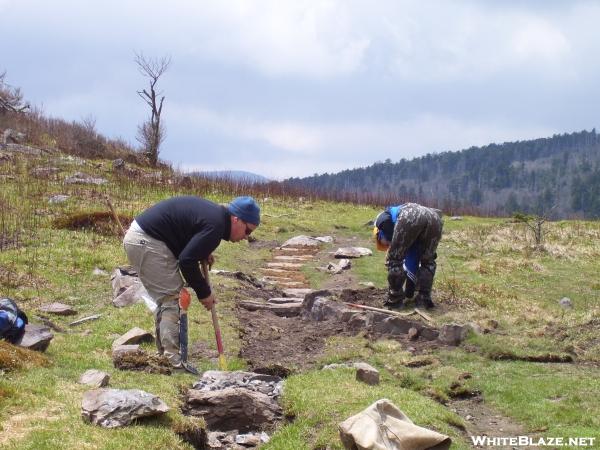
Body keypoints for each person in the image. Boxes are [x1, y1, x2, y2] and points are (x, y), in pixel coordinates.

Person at [123, 195, 260, 372]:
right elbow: (186, 261)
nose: (246, 237)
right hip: (147, 241)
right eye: (247, 231)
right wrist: (204, 293)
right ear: (236, 219)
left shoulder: (216, 218)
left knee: (170, 298)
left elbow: (187, 236)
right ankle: (172, 362)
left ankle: (166, 355)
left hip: (145, 238)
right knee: (171, 298)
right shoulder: (216, 225)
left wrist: (201, 250)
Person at [373, 203, 443, 310]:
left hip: (411, 215)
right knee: (428, 261)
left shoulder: (381, 219)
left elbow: (396, 249)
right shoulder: (394, 214)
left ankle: (395, 299)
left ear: (379, 234)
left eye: (385, 244)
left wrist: (392, 251)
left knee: (394, 259)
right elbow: (412, 255)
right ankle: (423, 299)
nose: (386, 245)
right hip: (435, 218)